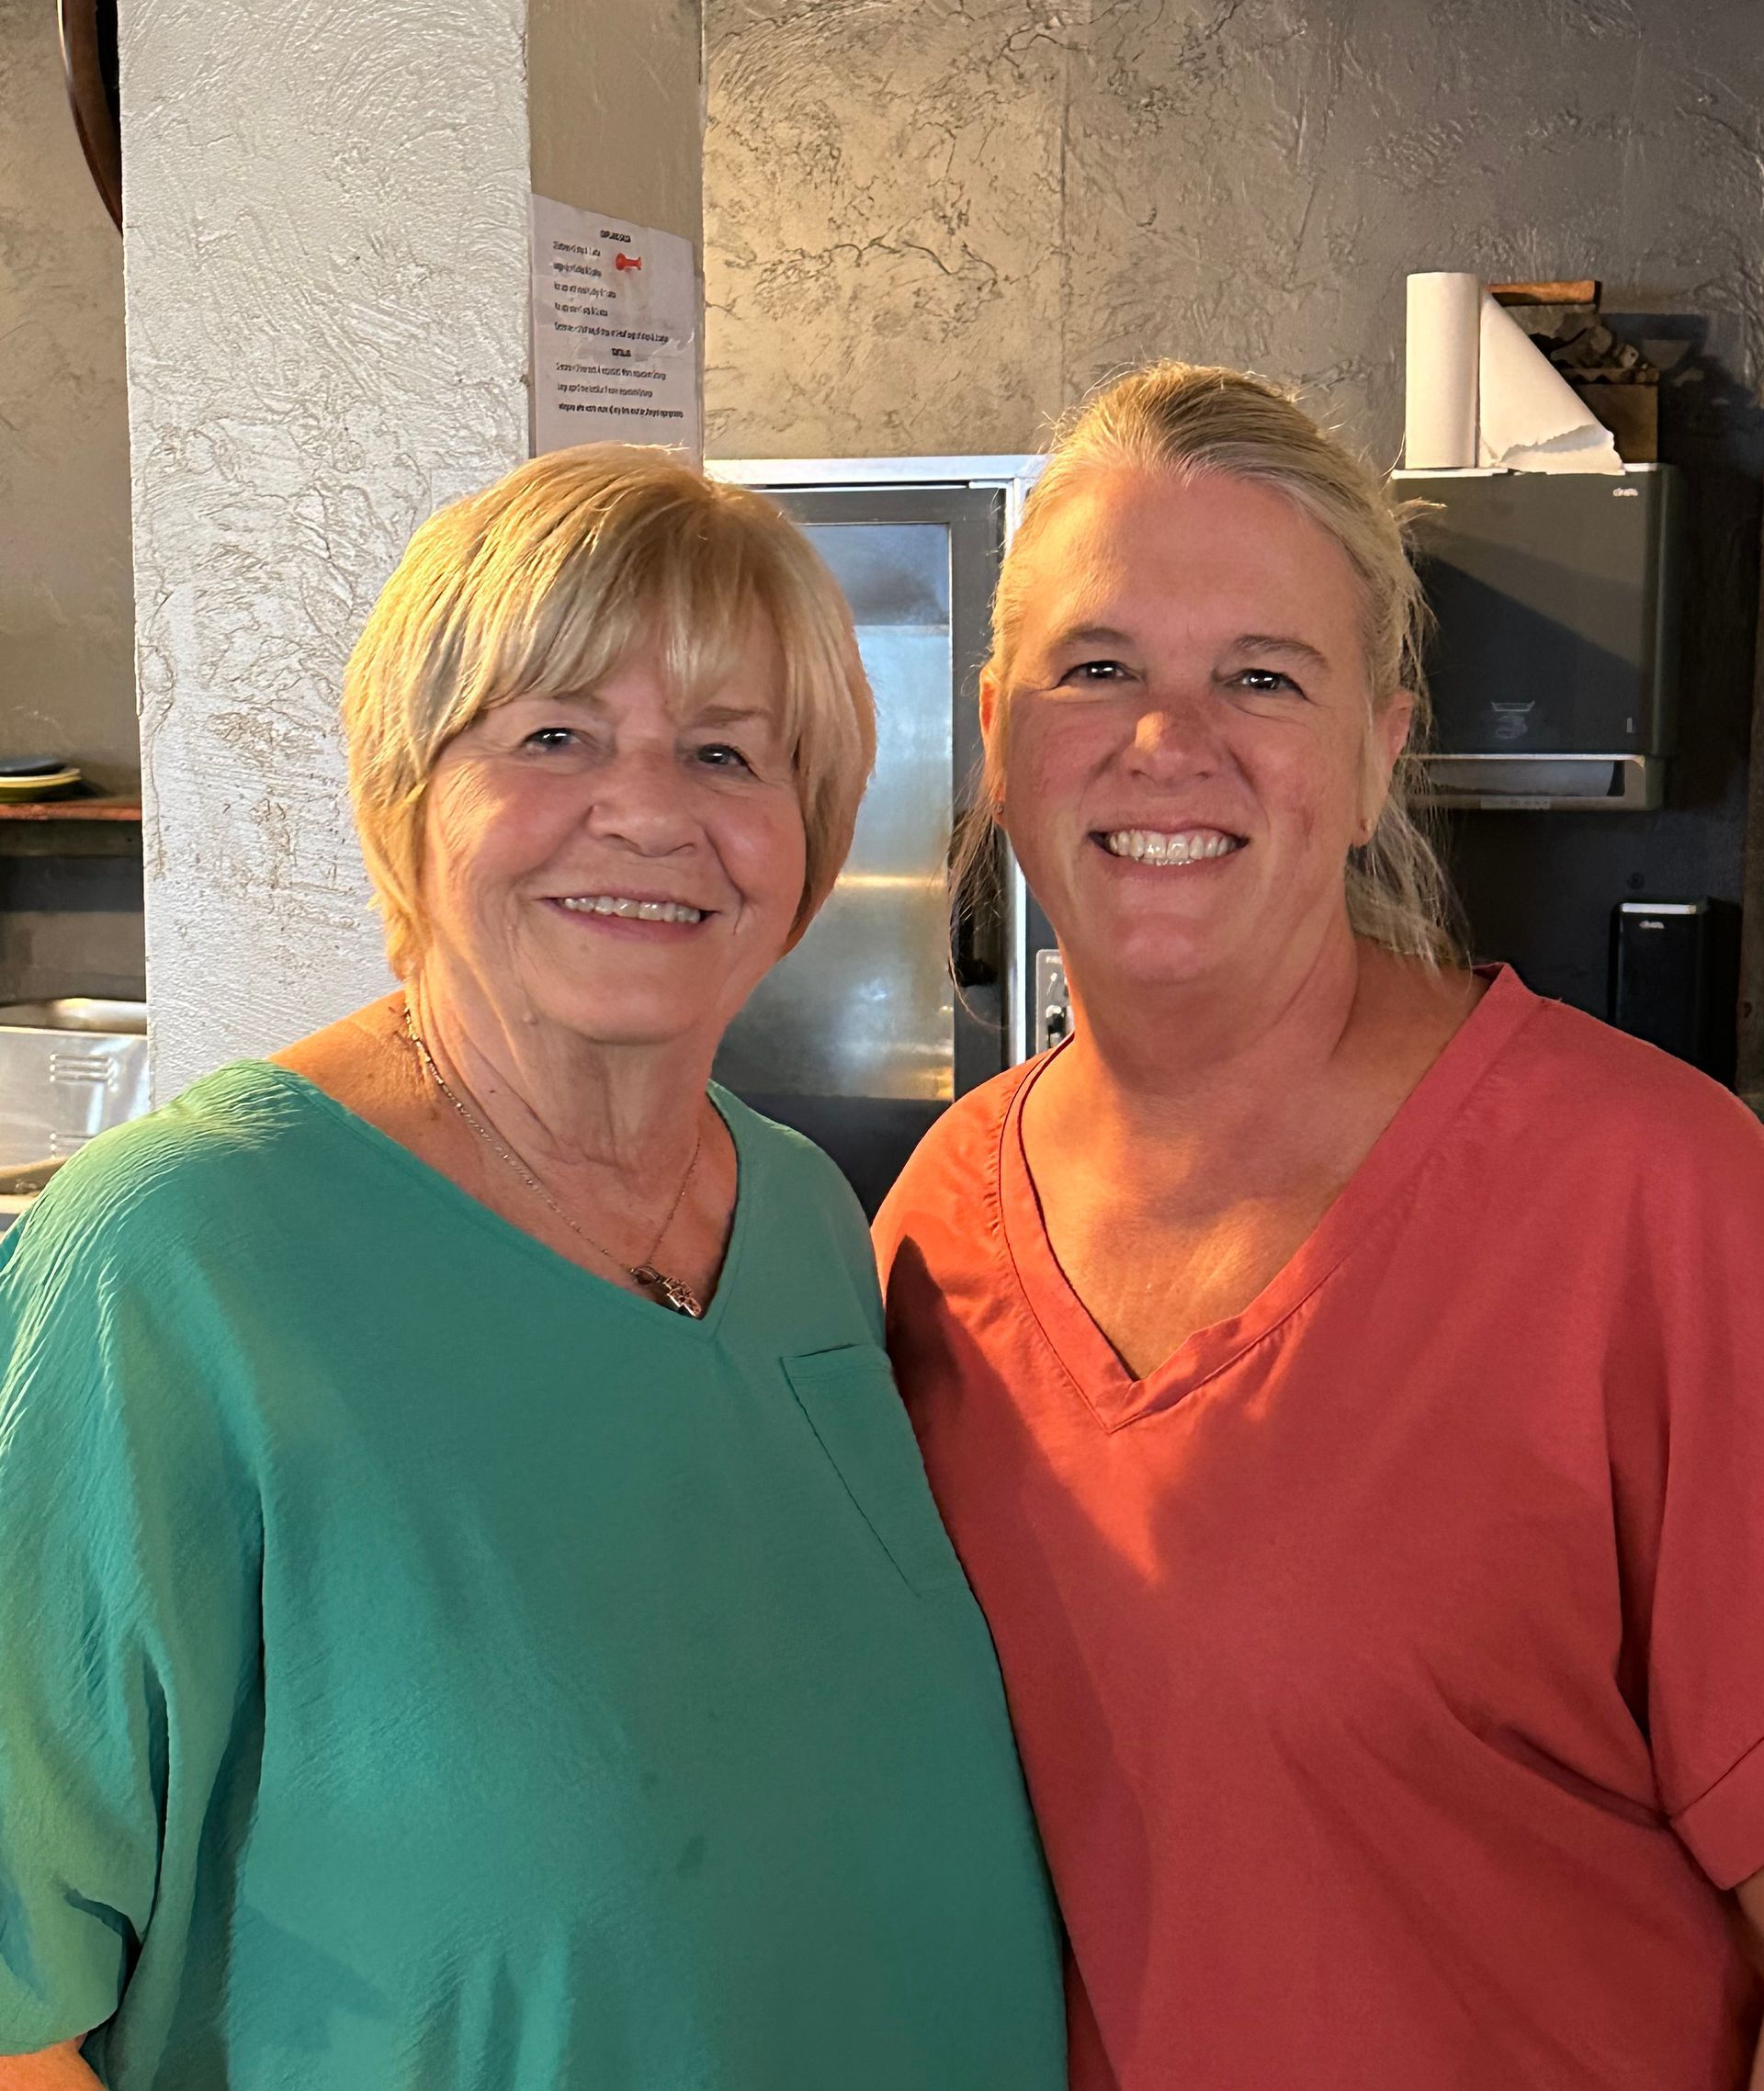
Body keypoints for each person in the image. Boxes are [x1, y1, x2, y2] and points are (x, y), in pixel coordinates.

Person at [0, 446, 1064, 2091]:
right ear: (409, 791)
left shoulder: (800, 1226)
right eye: (554, 735)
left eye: (727, 752)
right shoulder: (179, 1265)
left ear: (808, 833)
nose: (649, 811)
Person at [874, 362, 1764, 2091]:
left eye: (1262, 677)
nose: (1167, 741)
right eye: (1099, 666)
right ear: (999, 734)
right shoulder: (933, 1236)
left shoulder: (1655, 1201)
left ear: (1376, 759)